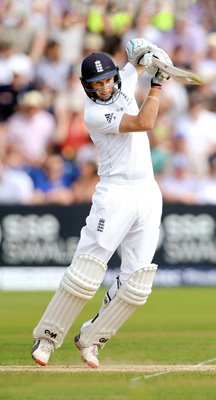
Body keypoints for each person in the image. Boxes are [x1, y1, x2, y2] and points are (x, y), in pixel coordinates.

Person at [31, 38, 171, 368]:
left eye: (108, 80)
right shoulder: (95, 113)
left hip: (148, 193)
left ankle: (92, 338)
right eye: (97, 84)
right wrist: (159, 84)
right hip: (115, 193)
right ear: (87, 87)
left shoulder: (122, 78)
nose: (106, 87)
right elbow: (144, 123)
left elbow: (134, 58)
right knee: (87, 271)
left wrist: (146, 55)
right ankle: (47, 338)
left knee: (137, 282)